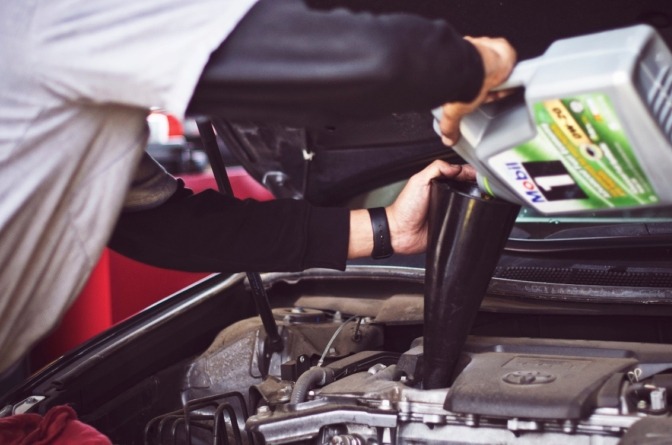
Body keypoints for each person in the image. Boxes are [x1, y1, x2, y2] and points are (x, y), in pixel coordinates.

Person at [0, 0, 515, 373]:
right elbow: (367, 60)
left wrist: (387, 230)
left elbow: (161, 226)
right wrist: (478, 63)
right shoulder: (52, 14)